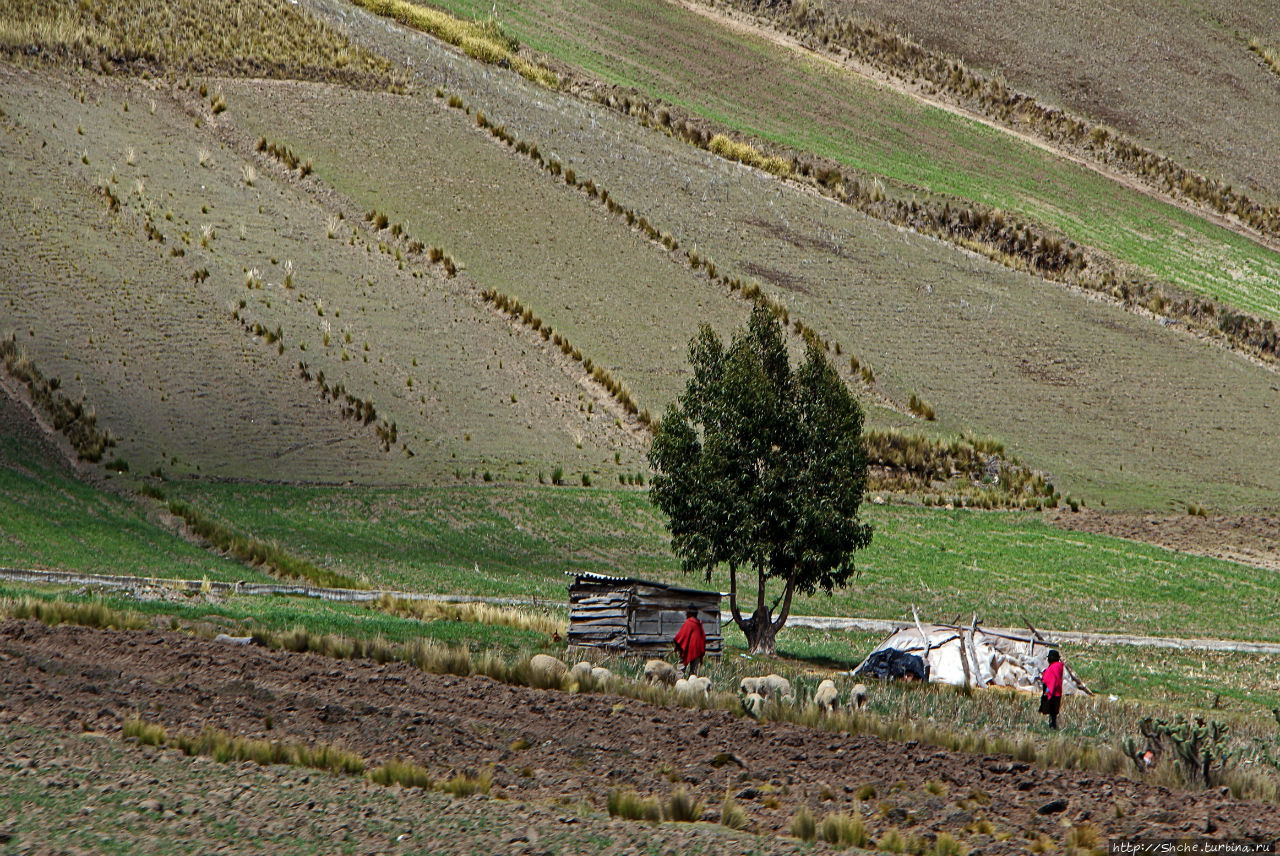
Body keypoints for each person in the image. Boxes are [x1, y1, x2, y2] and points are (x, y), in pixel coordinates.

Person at [673, 607, 706, 676]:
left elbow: (681, 636)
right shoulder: (699, 623)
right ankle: (692, 684)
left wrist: (677, 645)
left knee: (681, 669)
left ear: (690, 614)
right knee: (693, 671)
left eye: (687, 613)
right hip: (697, 650)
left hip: (688, 649)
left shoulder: (689, 622)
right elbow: (702, 637)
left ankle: (678, 683)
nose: (686, 615)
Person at [1039, 649, 1064, 729]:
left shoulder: (1052, 668)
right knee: (1054, 713)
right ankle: (1053, 725)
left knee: (1051, 711)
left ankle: (1052, 726)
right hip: (1058, 692)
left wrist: (1046, 693)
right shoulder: (1059, 667)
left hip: (1051, 693)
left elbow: (1049, 683)